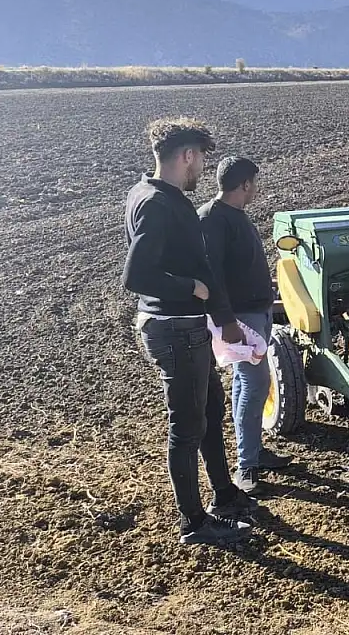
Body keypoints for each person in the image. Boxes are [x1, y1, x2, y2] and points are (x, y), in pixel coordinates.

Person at [122, 116, 258, 545]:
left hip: (189, 326)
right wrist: (191, 288)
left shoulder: (156, 194)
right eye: (200, 157)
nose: (202, 166)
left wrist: (223, 319)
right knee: (186, 426)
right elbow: (137, 274)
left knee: (210, 411)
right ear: (186, 156)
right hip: (174, 327)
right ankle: (194, 523)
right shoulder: (158, 203)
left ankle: (223, 494)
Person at [198, 156, 295, 496]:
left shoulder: (233, 216)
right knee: (256, 383)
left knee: (244, 381)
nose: (256, 188)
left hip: (257, 310)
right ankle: (246, 465)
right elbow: (212, 275)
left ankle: (252, 449)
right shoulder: (213, 219)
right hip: (241, 318)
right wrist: (227, 323)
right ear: (243, 185)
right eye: (254, 182)